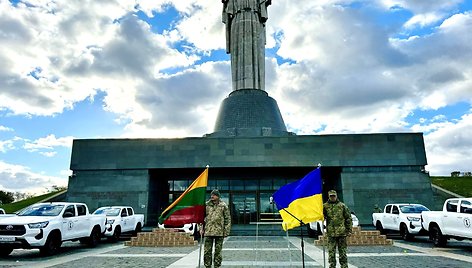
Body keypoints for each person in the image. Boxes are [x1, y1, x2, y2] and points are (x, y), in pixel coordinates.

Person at [222, 0, 272, 91]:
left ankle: (258, 88)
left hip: (255, 18)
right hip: (237, 19)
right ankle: (238, 89)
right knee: (238, 56)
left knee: (257, 55)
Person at [200, 189, 231, 268]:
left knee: (218, 251)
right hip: (208, 231)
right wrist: (201, 228)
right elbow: (201, 218)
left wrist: (226, 231)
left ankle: (217, 266)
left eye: (214, 195)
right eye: (211, 195)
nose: (212, 196)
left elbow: (227, 219)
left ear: (218, 196)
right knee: (207, 251)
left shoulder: (223, 205)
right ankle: (208, 266)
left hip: (219, 232)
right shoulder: (206, 205)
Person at [323, 190, 352, 268]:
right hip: (331, 233)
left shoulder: (342, 206)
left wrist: (349, 230)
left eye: (334, 196)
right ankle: (332, 266)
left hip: (342, 233)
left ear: (336, 196)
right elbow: (322, 216)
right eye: (331, 196)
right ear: (329, 197)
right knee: (331, 252)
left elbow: (348, 218)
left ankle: (344, 266)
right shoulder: (325, 206)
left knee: (342, 252)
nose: (333, 198)